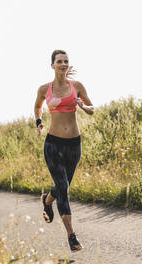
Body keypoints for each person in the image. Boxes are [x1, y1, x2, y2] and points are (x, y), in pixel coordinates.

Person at [34, 49, 95, 252]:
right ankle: (72, 236)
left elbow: (92, 108)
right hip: (53, 144)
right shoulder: (44, 89)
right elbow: (37, 107)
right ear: (52, 65)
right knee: (64, 188)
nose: (63, 64)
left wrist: (83, 106)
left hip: (73, 145)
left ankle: (47, 200)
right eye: (59, 61)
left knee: (63, 186)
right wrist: (39, 122)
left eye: (66, 61)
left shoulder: (77, 87)